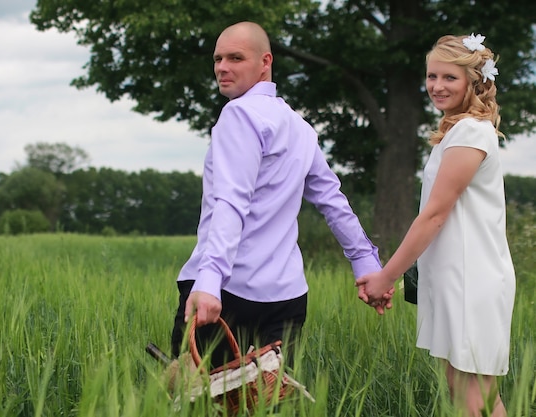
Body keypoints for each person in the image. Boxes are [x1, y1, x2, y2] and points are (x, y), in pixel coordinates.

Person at [170, 21, 389, 369]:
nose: (222, 68)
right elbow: (333, 200)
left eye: (235, 58)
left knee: (198, 403)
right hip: (287, 299)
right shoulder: (298, 126)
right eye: (218, 59)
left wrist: (209, 280)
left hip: (228, 293)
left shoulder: (238, 114)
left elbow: (230, 202)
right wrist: (366, 263)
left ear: (265, 62)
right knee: (270, 404)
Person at [357, 33, 515, 417]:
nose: (436, 87)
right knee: (471, 394)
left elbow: (434, 215)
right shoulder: (458, 133)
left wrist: (386, 276)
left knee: (471, 397)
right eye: (432, 76)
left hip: (471, 280)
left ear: (472, 82)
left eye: (449, 78)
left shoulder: (471, 133)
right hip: (456, 279)